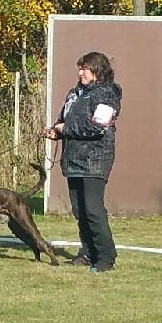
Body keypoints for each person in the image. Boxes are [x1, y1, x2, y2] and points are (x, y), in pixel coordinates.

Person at [42, 51, 121, 273]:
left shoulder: (107, 93)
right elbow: (64, 121)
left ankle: (106, 257)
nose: (80, 73)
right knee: (80, 210)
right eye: (80, 69)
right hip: (74, 159)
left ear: (96, 71)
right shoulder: (74, 94)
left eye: (84, 69)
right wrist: (56, 132)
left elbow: (98, 126)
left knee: (93, 210)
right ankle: (87, 252)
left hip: (95, 159)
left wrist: (66, 129)